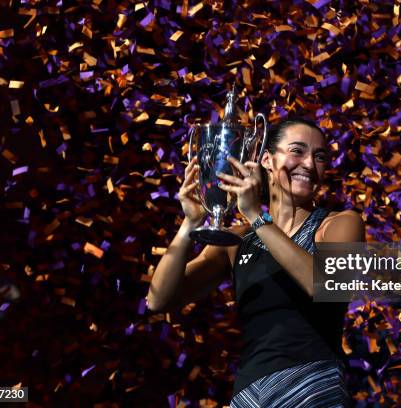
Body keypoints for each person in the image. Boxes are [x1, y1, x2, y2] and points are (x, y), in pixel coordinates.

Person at [146, 118, 365, 407]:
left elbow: (328, 285)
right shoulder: (238, 240)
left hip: (312, 388)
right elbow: (159, 299)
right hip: (249, 395)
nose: (310, 165)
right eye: (297, 151)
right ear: (266, 160)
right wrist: (191, 223)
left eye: (320, 156)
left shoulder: (339, 223)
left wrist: (256, 217)